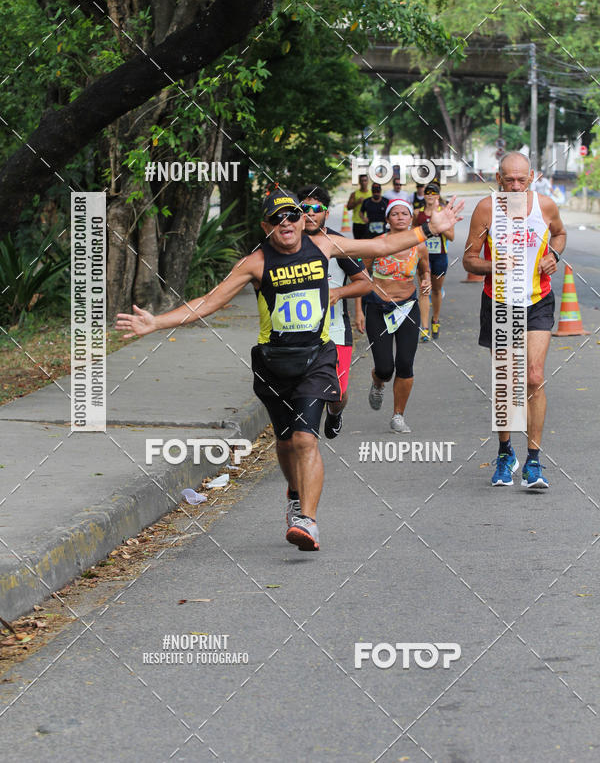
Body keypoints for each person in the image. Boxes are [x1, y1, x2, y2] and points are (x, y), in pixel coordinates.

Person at [117, 186, 463, 551]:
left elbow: (380, 247)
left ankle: (308, 522)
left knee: (304, 438)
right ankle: (295, 495)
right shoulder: (255, 262)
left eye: (293, 215)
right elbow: (210, 301)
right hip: (273, 363)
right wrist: (157, 323)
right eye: (278, 218)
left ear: (302, 221)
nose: (287, 222)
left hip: (317, 357)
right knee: (285, 442)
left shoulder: (326, 245)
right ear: (267, 226)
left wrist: (429, 229)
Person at [462, 151, 566, 490]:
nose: (516, 185)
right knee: (507, 383)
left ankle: (533, 461)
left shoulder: (545, 206)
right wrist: (496, 266)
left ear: (532, 176)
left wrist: (553, 254)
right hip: (500, 303)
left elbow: (560, 234)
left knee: (533, 377)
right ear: (498, 178)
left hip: (538, 300)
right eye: (510, 180)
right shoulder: (487, 209)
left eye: (522, 179)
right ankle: (506, 453)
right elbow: (468, 260)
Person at [297, 184, 371, 441]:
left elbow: (365, 282)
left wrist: (338, 293)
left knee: (337, 392)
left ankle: (335, 413)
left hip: (336, 331)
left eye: (315, 209)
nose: (309, 214)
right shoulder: (288, 244)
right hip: (300, 334)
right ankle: (305, 437)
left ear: (325, 212)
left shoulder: (338, 245)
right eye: (303, 208)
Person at [356, 199, 431, 432]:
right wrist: (359, 310)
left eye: (404, 213)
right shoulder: (376, 244)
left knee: (405, 363)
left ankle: (398, 415)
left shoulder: (419, 245)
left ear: (411, 218)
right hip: (378, 308)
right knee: (385, 367)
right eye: (395, 213)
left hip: (408, 308)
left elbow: (425, 268)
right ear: (387, 219)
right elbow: (360, 276)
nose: (400, 217)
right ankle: (378, 382)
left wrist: (426, 278)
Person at [413, 177, 454, 342]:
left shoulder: (445, 212)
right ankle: (424, 328)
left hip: (439, 256)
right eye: (427, 192)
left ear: (438, 195)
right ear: (424, 195)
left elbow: (451, 236)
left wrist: (439, 228)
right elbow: (413, 234)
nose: (430, 195)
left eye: (433, 192)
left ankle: (435, 319)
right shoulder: (418, 213)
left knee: (436, 290)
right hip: (423, 256)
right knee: (424, 289)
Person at [347, 173, 371, 239]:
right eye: (362, 181)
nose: (364, 182)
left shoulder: (371, 194)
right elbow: (348, 207)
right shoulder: (354, 194)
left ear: (368, 181)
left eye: (365, 180)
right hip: (357, 223)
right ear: (359, 182)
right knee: (357, 243)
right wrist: (357, 202)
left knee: (368, 244)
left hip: (368, 222)